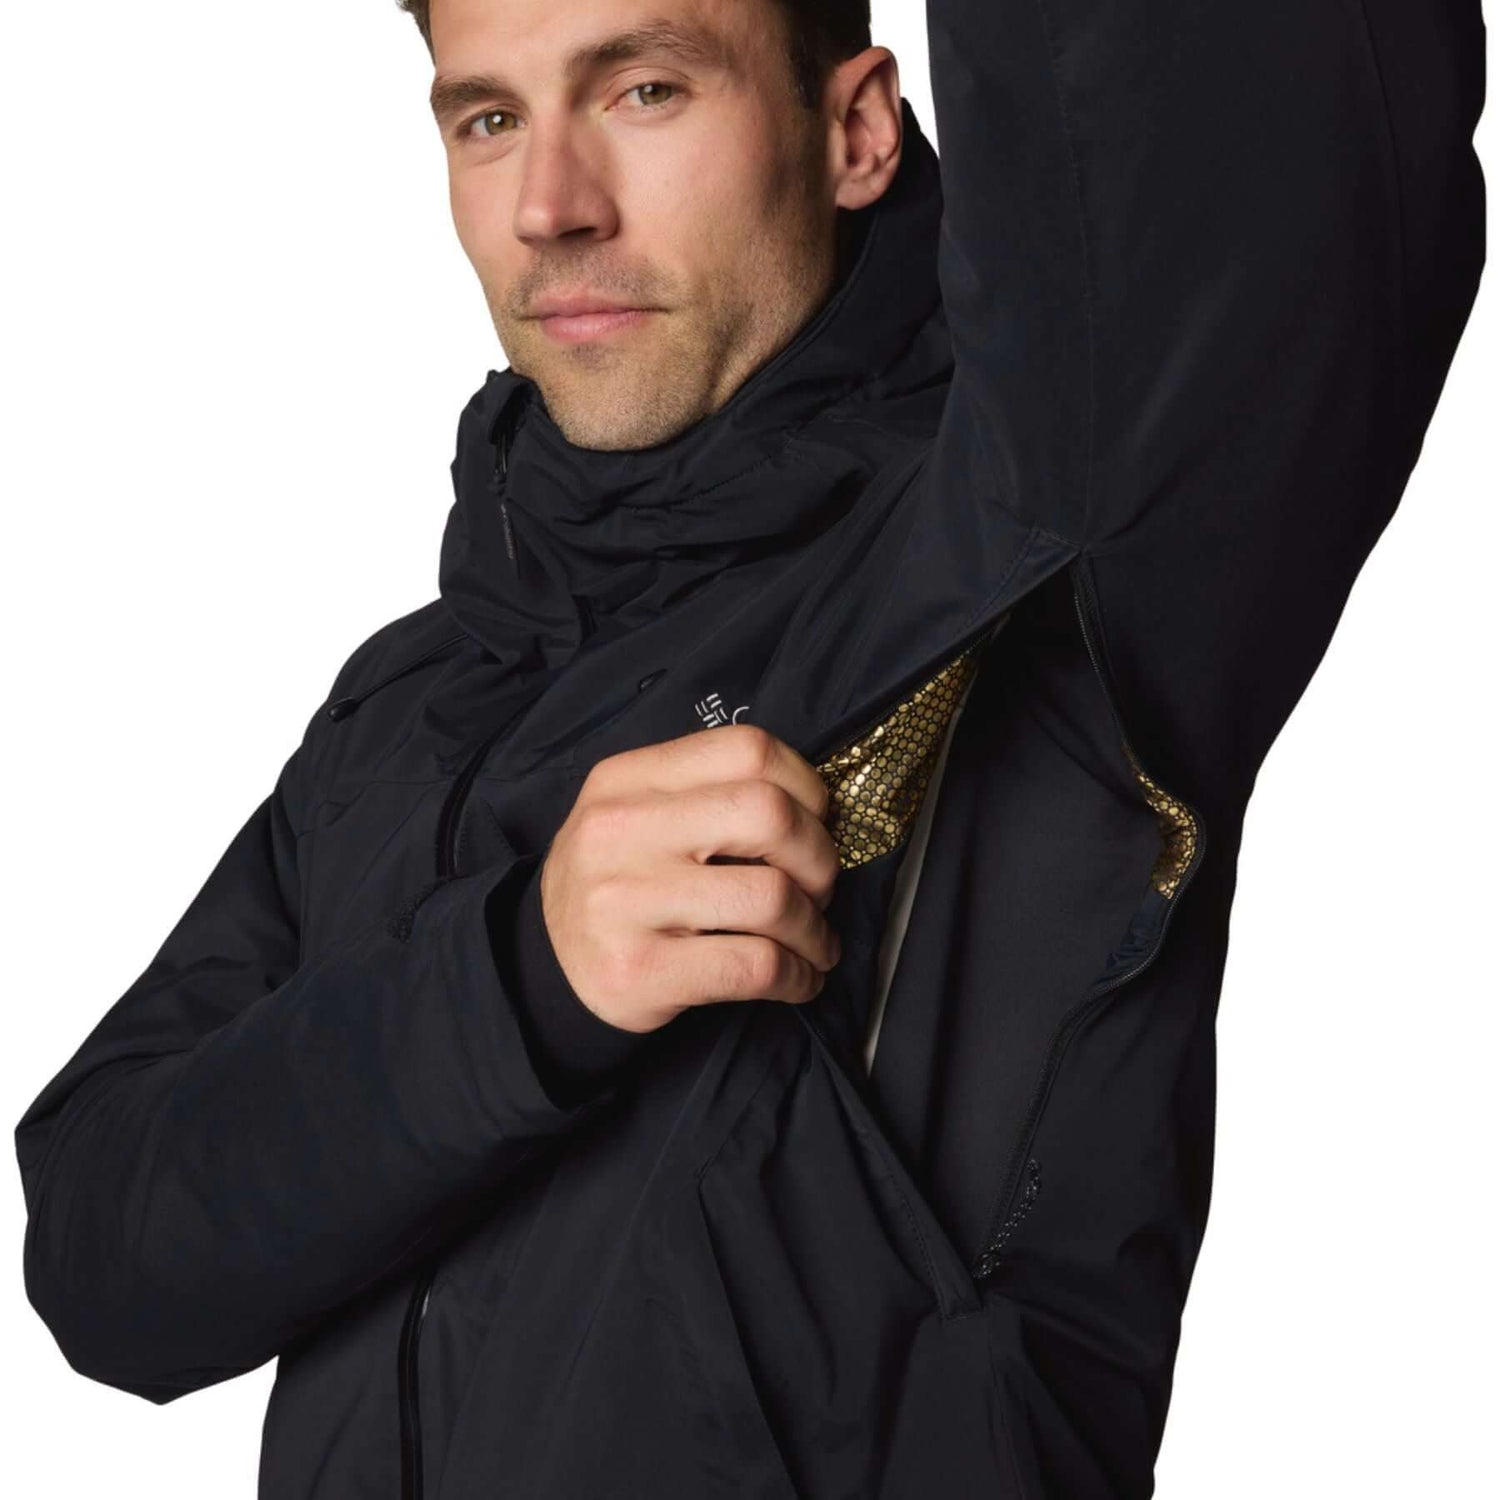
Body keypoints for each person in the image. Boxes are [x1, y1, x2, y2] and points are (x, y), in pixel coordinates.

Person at [14, 0, 1485, 1496]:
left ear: (856, 131)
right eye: (491, 119)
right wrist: (521, 986)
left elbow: (1266, 125)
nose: (550, 208)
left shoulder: (1038, 547)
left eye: (645, 90)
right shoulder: (408, 703)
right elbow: (99, 1256)